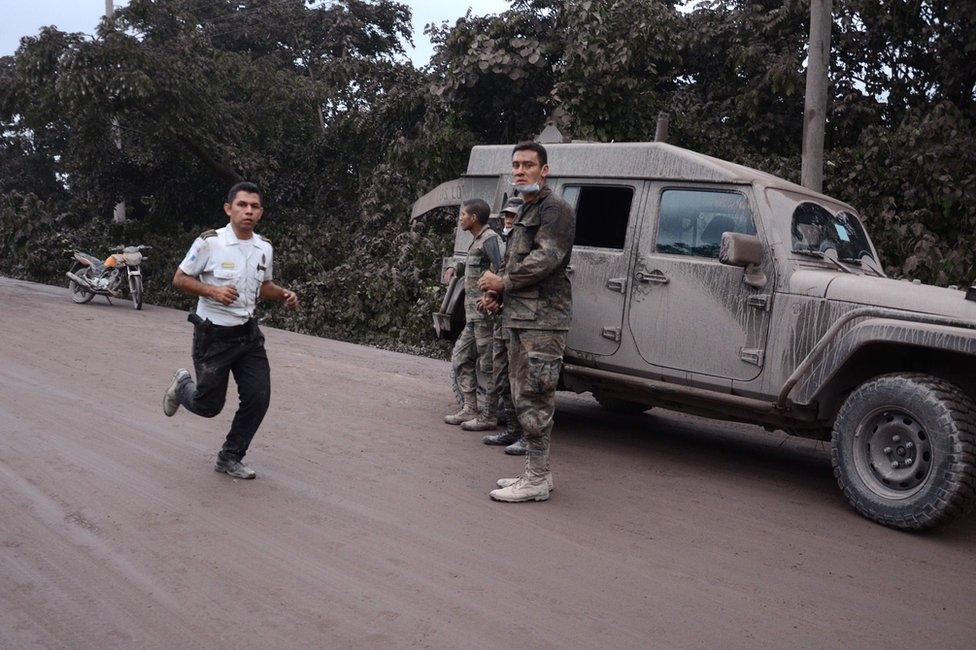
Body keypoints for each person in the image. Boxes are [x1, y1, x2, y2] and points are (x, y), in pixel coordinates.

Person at [163, 181, 299, 479]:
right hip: (213, 336)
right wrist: (212, 291)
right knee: (208, 406)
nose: (248, 211)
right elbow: (179, 279)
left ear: (261, 213)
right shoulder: (209, 243)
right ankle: (182, 386)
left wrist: (284, 294)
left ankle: (230, 457)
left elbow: (264, 287)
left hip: (247, 336)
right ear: (229, 209)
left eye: (254, 206)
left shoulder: (264, 247)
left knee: (258, 397)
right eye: (242, 205)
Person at [479, 142, 575, 502]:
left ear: (544, 170)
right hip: (521, 316)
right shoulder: (526, 208)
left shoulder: (556, 210)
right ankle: (539, 474)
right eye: (516, 165)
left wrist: (504, 282)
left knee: (535, 397)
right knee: (523, 395)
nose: (520, 171)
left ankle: (535, 478)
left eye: (528, 165)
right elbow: (514, 260)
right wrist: (497, 293)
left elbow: (546, 258)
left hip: (543, 321)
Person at [444, 199, 503, 427]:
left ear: (474, 218)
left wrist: (491, 296)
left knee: (488, 366)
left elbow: (500, 269)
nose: (460, 218)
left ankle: (489, 416)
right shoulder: (477, 241)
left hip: (485, 317)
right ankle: (470, 408)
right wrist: (455, 267)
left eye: (463, 214)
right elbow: (475, 265)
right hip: (472, 317)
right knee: (460, 357)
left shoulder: (490, 239)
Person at [481, 197, 527, 452]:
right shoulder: (508, 244)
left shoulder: (528, 246)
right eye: (506, 216)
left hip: (519, 321)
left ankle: (526, 436)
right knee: (501, 376)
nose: (508, 220)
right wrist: (493, 297)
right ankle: (511, 430)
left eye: (513, 216)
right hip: (504, 319)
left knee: (520, 379)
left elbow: (523, 280)